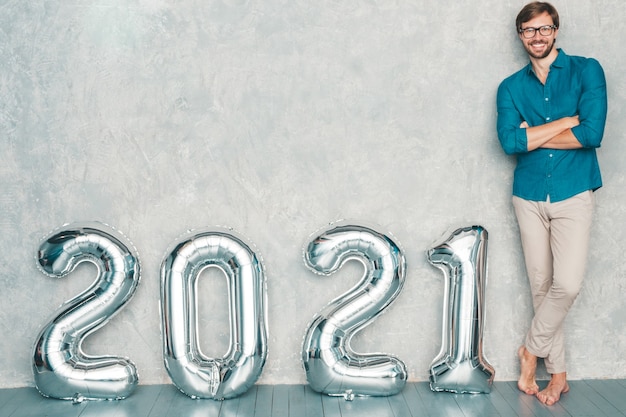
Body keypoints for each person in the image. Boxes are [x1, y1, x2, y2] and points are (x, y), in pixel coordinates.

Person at [496, 1, 607, 406]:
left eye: (544, 29)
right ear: (520, 35)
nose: (537, 37)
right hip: (527, 195)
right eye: (529, 30)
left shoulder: (586, 70)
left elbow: (592, 133)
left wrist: (535, 134)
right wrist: (565, 122)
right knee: (541, 288)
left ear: (556, 30)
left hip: (573, 190)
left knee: (567, 284)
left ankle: (529, 351)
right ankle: (557, 376)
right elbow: (510, 143)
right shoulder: (511, 87)